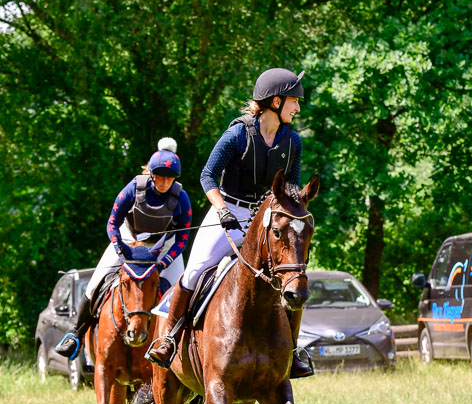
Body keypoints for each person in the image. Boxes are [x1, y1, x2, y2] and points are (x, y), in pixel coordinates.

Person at [147, 68, 313, 378]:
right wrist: (222, 209)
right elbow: (206, 175)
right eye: (294, 101)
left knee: (293, 274)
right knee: (195, 271)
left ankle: (292, 351)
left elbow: (291, 190)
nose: (298, 108)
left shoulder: (293, 142)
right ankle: (168, 339)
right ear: (276, 101)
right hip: (229, 212)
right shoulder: (238, 134)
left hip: (266, 218)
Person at [55, 138, 192, 360]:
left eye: (170, 178)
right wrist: (120, 250)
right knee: (95, 283)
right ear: (151, 174)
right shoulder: (133, 188)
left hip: (163, 248)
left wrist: (164, 263)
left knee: (183, 292)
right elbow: (112, 223)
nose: (165, 182)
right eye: (161, 176)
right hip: (129, 241)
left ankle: (182, 349)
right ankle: (75, 335)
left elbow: (182, 238)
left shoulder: (181, 198)